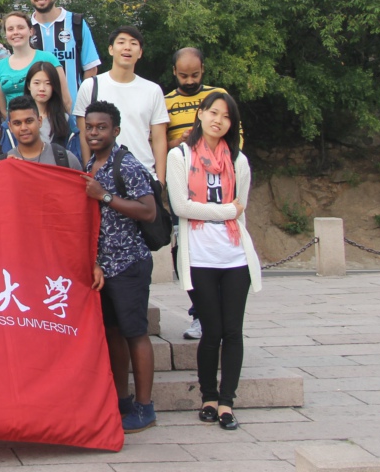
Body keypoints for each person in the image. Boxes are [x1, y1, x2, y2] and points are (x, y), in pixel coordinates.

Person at [166, 91, 260, 432]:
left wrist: (226, 212)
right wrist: (224, 211)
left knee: (232, 331)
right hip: (199, 255)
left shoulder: (238, 160)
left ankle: (226, 402)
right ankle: (207, 396)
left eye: (226, 116)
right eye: (213, 112)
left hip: (235, 256)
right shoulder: (180, 155)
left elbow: (241, 208)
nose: (218, 120)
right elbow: (181, 206)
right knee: (212, 330)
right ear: (201, 114)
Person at [81, 100, 159, 434]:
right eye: (89, 127)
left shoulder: (125, 164)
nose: (94, 133)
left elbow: (148, 211)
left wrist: (105, 196)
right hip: (105, 268)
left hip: (129, 262)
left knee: (135, 334)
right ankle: (122, 399)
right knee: (113, 333)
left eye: (101, 127)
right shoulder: (91, 163)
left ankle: (145, 406)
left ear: (115, 130)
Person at [163, 46, 243, 341]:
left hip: (220, 180)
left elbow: (235, 136)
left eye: (195, 75)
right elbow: (159, 141)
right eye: (183, 76)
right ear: (174, 72)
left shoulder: (218, 96)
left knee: (223, 247)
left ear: (203, 71)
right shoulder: (166, 101)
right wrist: (182, 142)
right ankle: (200, 312)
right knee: (183, 250)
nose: (189, 81)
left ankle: (219, 312)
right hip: (185, 179)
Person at [72, 26, 170, 182]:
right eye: (121, 42)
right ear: (111, 49)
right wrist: (89, 171)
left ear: (140, 53)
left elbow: (159, 139)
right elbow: (84, 136)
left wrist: (160, 181)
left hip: (143, 175)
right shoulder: (90, 86)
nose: (127, 47)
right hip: (102, 176)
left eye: (133, 43)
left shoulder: (153, 90)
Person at [27, 0, 101, 102]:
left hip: (73, 111)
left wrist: (82, 105)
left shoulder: (75, 23)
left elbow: (91, 68)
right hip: (37, 111)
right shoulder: (24, 29)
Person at [0, 12, 70, 120]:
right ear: (5, 34)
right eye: (10, 29)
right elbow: (3, 110)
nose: (15, 32)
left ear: (31, 31)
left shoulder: (48, 58)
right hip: (15, 125)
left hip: (48, 123)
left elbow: (65, 100)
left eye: (20, 27)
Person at [4, 96, 82, 169]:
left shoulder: (66, 159)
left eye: (29, 121)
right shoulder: (4, 163)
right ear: (10, 126)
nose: (24, 128)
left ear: (39, 121)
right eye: (17, 123)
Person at [24, 61, 72, 150]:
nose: (42, 88)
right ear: (28, 85)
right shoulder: (17, 119)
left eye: (48, 83)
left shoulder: (65, 119)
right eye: (37, 83)